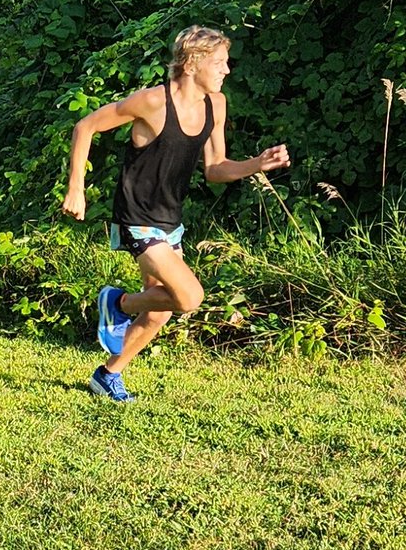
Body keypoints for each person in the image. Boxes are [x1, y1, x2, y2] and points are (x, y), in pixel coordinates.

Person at [62, 26, 291, 402]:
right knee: (188, 298)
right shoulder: (153, 102)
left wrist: (257, 164)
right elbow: (85, 127)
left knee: (159, 310)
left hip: (170, 220)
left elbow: (215, 168)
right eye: (220, 62)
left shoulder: (215, 105)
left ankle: (108, 375)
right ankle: (118, 303)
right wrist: (76, 187)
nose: (227, 70)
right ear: (192, 63)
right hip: (136, 216)